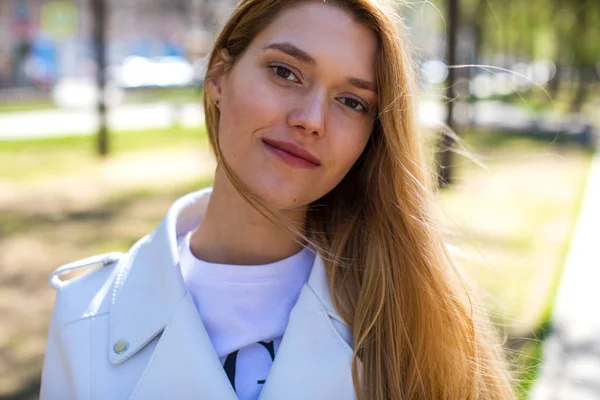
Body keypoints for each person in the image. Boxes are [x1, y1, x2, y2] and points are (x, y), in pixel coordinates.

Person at [39, 0, 515, 399]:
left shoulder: (418, 318)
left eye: (352, 101)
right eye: (285, 72)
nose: (311, 119)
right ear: (220, 76)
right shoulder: (85, 316)